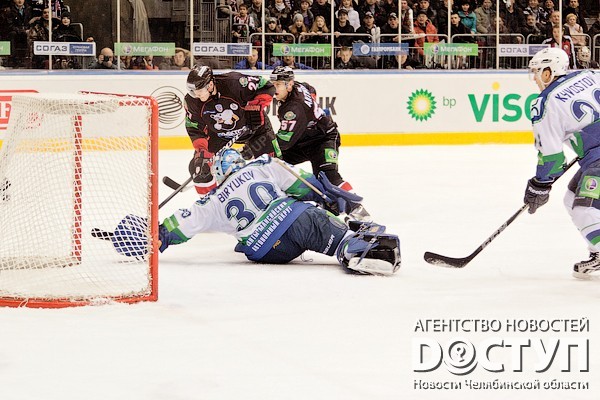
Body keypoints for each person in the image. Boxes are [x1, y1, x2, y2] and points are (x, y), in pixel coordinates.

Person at [110, 149, 401, 276]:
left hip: (266, 252)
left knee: (290, 225)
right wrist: (327, 200)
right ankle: (356, 249)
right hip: (294, 221)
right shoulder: (262, 166)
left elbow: (179, 226)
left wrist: (155, 235)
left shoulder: (211, 201)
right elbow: (303, 186)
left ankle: (349, 244)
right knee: (320, 224)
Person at [522, 47, 600, 279]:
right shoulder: (590, 75)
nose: (536, 79)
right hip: (595, 157)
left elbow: (552, 158)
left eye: (537, 72)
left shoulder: (545, 102)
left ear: (548, 72)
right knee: (571, 198)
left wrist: (540, 184)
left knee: (585, 209)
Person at [269, 66, 371, 221]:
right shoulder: (298, 86)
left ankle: (358, 210)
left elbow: (283, 142)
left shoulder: (293, 108)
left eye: (278, 85)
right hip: (303, 141)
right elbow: (310, 88)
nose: (273, 88)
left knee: (328, 177)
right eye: (273, 83)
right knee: (275, 166)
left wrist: (257, 148)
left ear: (289, 85)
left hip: (324, 139)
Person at [184, 65, 277, 195]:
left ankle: (277, 198)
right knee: (199, 168)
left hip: (254, 129)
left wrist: (255, 107)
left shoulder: (235, 83)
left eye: (198, 91)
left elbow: (266, 86)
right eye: (192, 91)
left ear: (210, 85)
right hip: (219, 135)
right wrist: (202, 150)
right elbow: (194, 127)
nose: (195, 95)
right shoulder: (192, 101)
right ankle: (210, 201)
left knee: (274, 165)